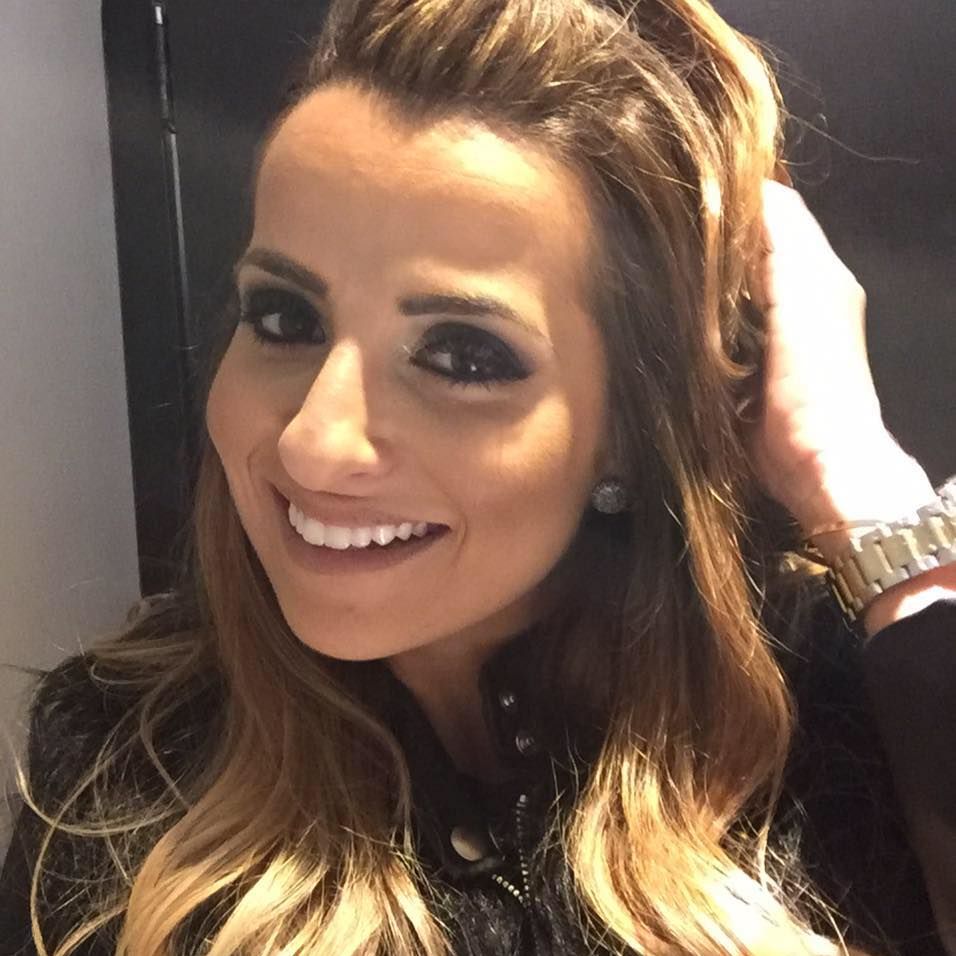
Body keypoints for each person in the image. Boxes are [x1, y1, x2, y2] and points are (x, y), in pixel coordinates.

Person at [2, 0, 954, 953]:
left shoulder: (844, 720)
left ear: (630, 430)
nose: (313, 446)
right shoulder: (124, 759)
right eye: (286, 318)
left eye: (462, 355)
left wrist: (856, 477)